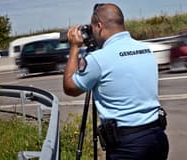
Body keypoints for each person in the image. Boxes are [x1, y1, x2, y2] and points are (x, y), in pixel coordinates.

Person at [63, 3, 169, 160]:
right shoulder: (145, 50)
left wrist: (74, 48)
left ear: (99, 26)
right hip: (157, 137)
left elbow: (70, 87)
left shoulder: (98, 59)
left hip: (128, 147)